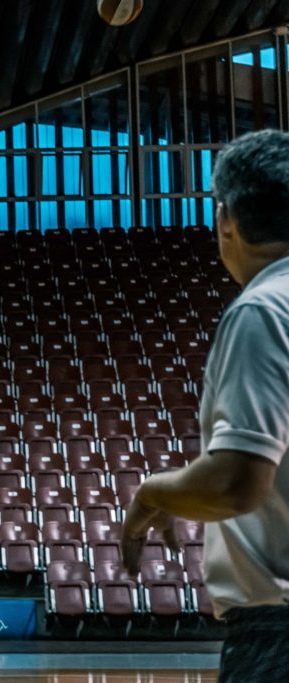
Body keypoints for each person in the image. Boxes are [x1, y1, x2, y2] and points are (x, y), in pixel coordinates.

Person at [120, 129, 289, 682]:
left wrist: (151, 493)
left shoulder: (263, 309)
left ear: (225, 220)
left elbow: (236, 482)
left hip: (276, 634)